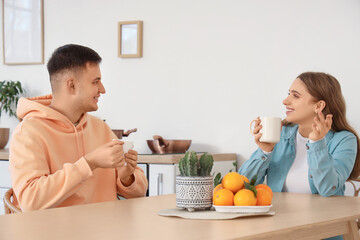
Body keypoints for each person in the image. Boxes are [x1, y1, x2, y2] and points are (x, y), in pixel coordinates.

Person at [9, 44, 148, 212]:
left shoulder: (101, 128)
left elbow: (139, 193)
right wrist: (89, 163)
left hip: (106, 231)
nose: (102, 90)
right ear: (72, 85)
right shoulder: (28, 132)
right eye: (95, 82)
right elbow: (31, 201)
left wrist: (127, 178)